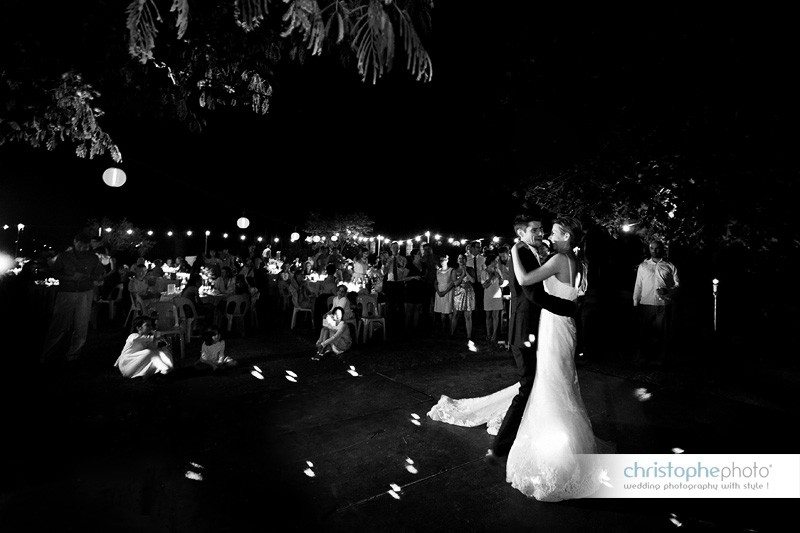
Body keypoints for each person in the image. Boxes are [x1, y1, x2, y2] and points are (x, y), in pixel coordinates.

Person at [428, 216, 602, 502]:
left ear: (567, 236)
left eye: (552, 231)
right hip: (552, 326)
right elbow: (538, 291)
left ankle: (532, 445)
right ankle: (532, 440)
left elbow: (527, 282)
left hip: (553, 325)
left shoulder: (556, 257)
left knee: (547, 381)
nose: (546, 234)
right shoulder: (567, 258)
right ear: (522, 233)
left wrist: (565, 307)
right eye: (538, 230)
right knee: (548, 381)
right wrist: (570, 308)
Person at [41, 233, 106, 364]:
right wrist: (70, 277)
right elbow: (54, 272)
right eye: (80, 245)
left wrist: (94, 277)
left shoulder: (93, 258)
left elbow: (99, 273)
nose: (82, 249)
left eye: (85, 246)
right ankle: (48, 353)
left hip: (85, 293)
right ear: (75, 242)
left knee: (81, 324)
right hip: (67, 292)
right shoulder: (64, 256)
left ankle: (73, 355)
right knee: (59, 323)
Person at [633, 239, 679, 366]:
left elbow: (678, 285)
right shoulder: (643, 266)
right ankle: (643, 357)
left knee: (662, 333)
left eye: (657, 248)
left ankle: (660, 359)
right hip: (646, 304)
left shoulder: (670, 266)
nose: (654, 250)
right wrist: (635, 303)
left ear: (662, 249)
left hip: (663, 305)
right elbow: (638, 285)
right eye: (652, 248)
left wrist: (667, 290)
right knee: (645, 333)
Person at [450, 254, 476, 339]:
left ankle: (469, 335)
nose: (461, 260)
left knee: (468, 315)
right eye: (459, 258)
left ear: (466, 260)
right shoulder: (454, 270)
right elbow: (455, 283)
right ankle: (452, 333)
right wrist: (462, 274)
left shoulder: (471, 269)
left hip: (468, 293)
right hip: (458, 293)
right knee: (456, 314)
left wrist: (466, 272)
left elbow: (473, 280)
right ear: (457, 260)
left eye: (463, 258)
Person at [481, 252, 504, 343]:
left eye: (497, 261)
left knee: (496, 315)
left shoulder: (498, 270)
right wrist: (491, 277)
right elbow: (484, 286)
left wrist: (500, 279)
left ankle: (494, 334)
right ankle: (488, 333)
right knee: (488, 315)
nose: (497, 263)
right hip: (488, 295)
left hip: (497, 294)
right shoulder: (484, 271)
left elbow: (501, 283)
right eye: (496, 261)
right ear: (491, 261)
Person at [433, 255, 454, 332]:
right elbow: (435, 282)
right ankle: (443, 328)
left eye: (444, 260)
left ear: (447, 260)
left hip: (447, 291)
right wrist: (438, 291)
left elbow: (452, 283)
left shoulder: (451, 270)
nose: (442, 262)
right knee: (442, 311)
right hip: (439, 291)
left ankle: (451, 329)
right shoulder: (438, 271)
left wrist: (445, 292)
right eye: (441, 260)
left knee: (448, 311)